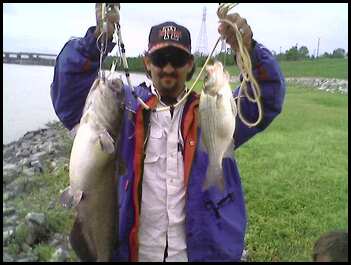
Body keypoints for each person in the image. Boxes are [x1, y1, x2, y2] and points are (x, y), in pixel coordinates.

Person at [50, 3, 286, 262]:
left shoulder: (212, 112)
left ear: (191, 65)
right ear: (147, 62)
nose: (169, 68)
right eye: (161, 59)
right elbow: (68, 92)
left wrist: (247, 49)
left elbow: (268, 97)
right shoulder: (124, 110)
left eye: (178, 59)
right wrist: (99, 38)